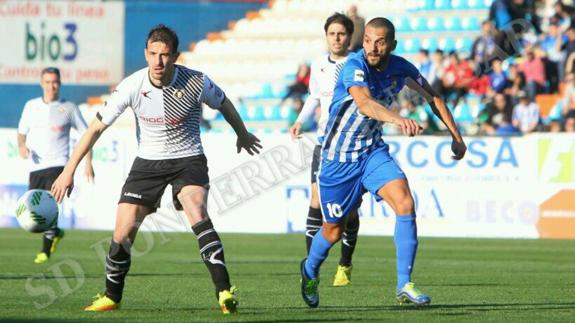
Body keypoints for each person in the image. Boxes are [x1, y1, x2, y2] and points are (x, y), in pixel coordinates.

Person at [51, 25, 262, 314]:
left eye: (164, 55)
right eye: (153, 54)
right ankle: (112, 297)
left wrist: (243, 133)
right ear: (146, 54)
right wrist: (68, 170)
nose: (158, 62)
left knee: (196, 209)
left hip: (188, 158)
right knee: (122, 231)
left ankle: (224, 292)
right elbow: (95, 128)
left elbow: (224, 104)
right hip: (147, 162)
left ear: (175, 56)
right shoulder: (131, 86)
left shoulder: (196, 81)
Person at [299, 17, 466, 308]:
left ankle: (404, 284)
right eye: (367, 41)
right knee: (333, 230)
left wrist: (457, 136)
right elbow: (364, 103)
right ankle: (310, 269)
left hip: (372, 153)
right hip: (338, 159)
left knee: (405, 202)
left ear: (392, 44)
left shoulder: (402, 68)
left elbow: (433, 97)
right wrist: (399, 120)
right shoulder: (354, 66)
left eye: (380, 42)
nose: (372, 48)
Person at [289, 13, 360, 287]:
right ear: (327, 35)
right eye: (332, 33)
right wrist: (299, 121)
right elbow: (315, 97)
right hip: (324, 143)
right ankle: (311, 270)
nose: (336, 38)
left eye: (341, 33)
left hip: (352, 144)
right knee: (315, 201)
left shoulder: (358, 63)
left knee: (349, 212)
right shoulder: (318, 65)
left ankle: (344, 263)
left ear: (349, 36)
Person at [17, 67, 94, 264]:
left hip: (60, 165)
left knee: (49, 203)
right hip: (36, 166)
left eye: (55, 82)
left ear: (60, 83)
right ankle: (55, 232)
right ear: (42, 83)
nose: (52, 86)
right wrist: (22, 147)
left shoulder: (69, 108)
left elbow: (87, 136)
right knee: (34, 211)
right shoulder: (31, 106)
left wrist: (88, 163)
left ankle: (45, 250)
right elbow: (21, 132)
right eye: (48, 82)